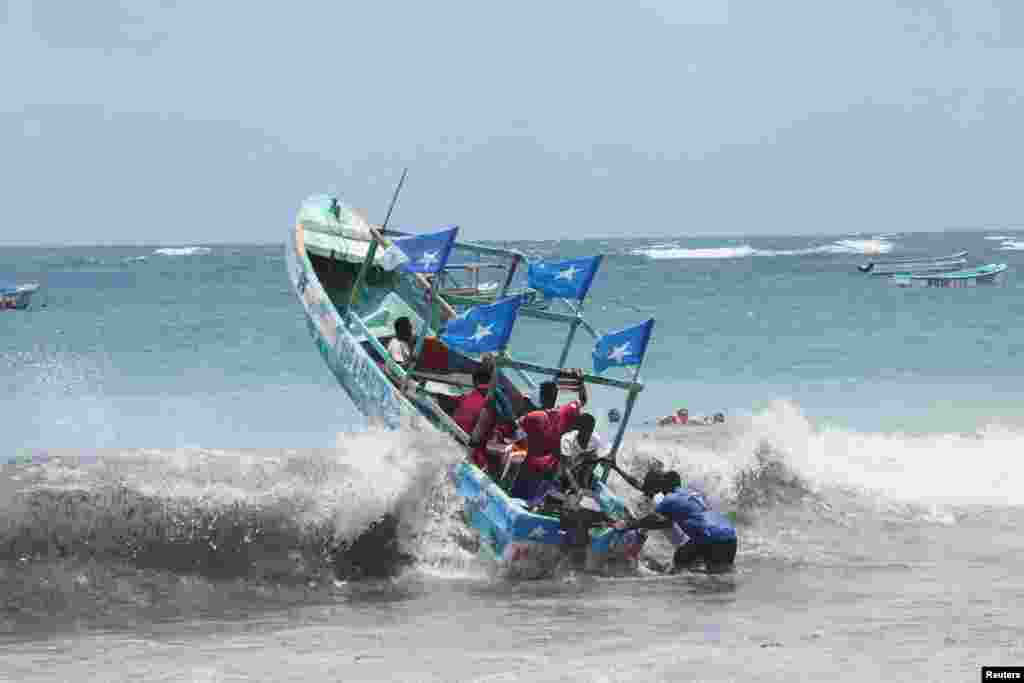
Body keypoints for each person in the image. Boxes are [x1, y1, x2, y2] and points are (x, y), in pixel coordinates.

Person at [618, 470, 737, 573]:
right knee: (721, 573)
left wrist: (629, 525)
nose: (661, 489)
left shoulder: (670, 499)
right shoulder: (692, 493)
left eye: (662, 485)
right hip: (729, 535)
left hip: (710, 538)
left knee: (682, 570)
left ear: (667, 485)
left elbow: (653, 519)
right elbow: (664, 520)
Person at [510, 369, 588, 500]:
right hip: (547, 476)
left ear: (541, 399)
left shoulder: (531, 417)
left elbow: (516, 452)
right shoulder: (566, 414)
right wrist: (581, 383)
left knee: (518, 496)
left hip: (527, 472)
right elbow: (583, 400)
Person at [454, 366, 500, 471]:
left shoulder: (464, 398)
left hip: (455, 449)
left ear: (475, 381)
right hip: (476, 461)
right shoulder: (497, 402)